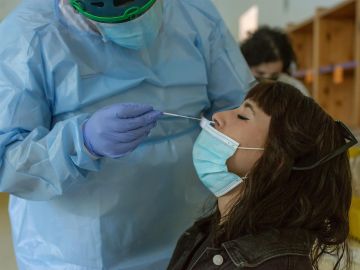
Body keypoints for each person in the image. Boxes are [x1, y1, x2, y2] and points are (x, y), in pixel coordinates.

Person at [0, 0, 255, 269]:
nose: (135, 23)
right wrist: (80, 142)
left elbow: (240, 109)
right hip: (78, 254)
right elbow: (6, 159)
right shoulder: (27, 35)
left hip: (190, 232)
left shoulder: (194, 11)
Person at [168, 81, 355, 270]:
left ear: (277, 161)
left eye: (242, 116)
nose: (217, 116)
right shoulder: (202, 233)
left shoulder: (275, 265)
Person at [241, 26, 310, 96]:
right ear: (246, 65)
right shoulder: (238, 86)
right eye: (260, 73)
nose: (267, 81)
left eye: (274, 76)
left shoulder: (295, 89)